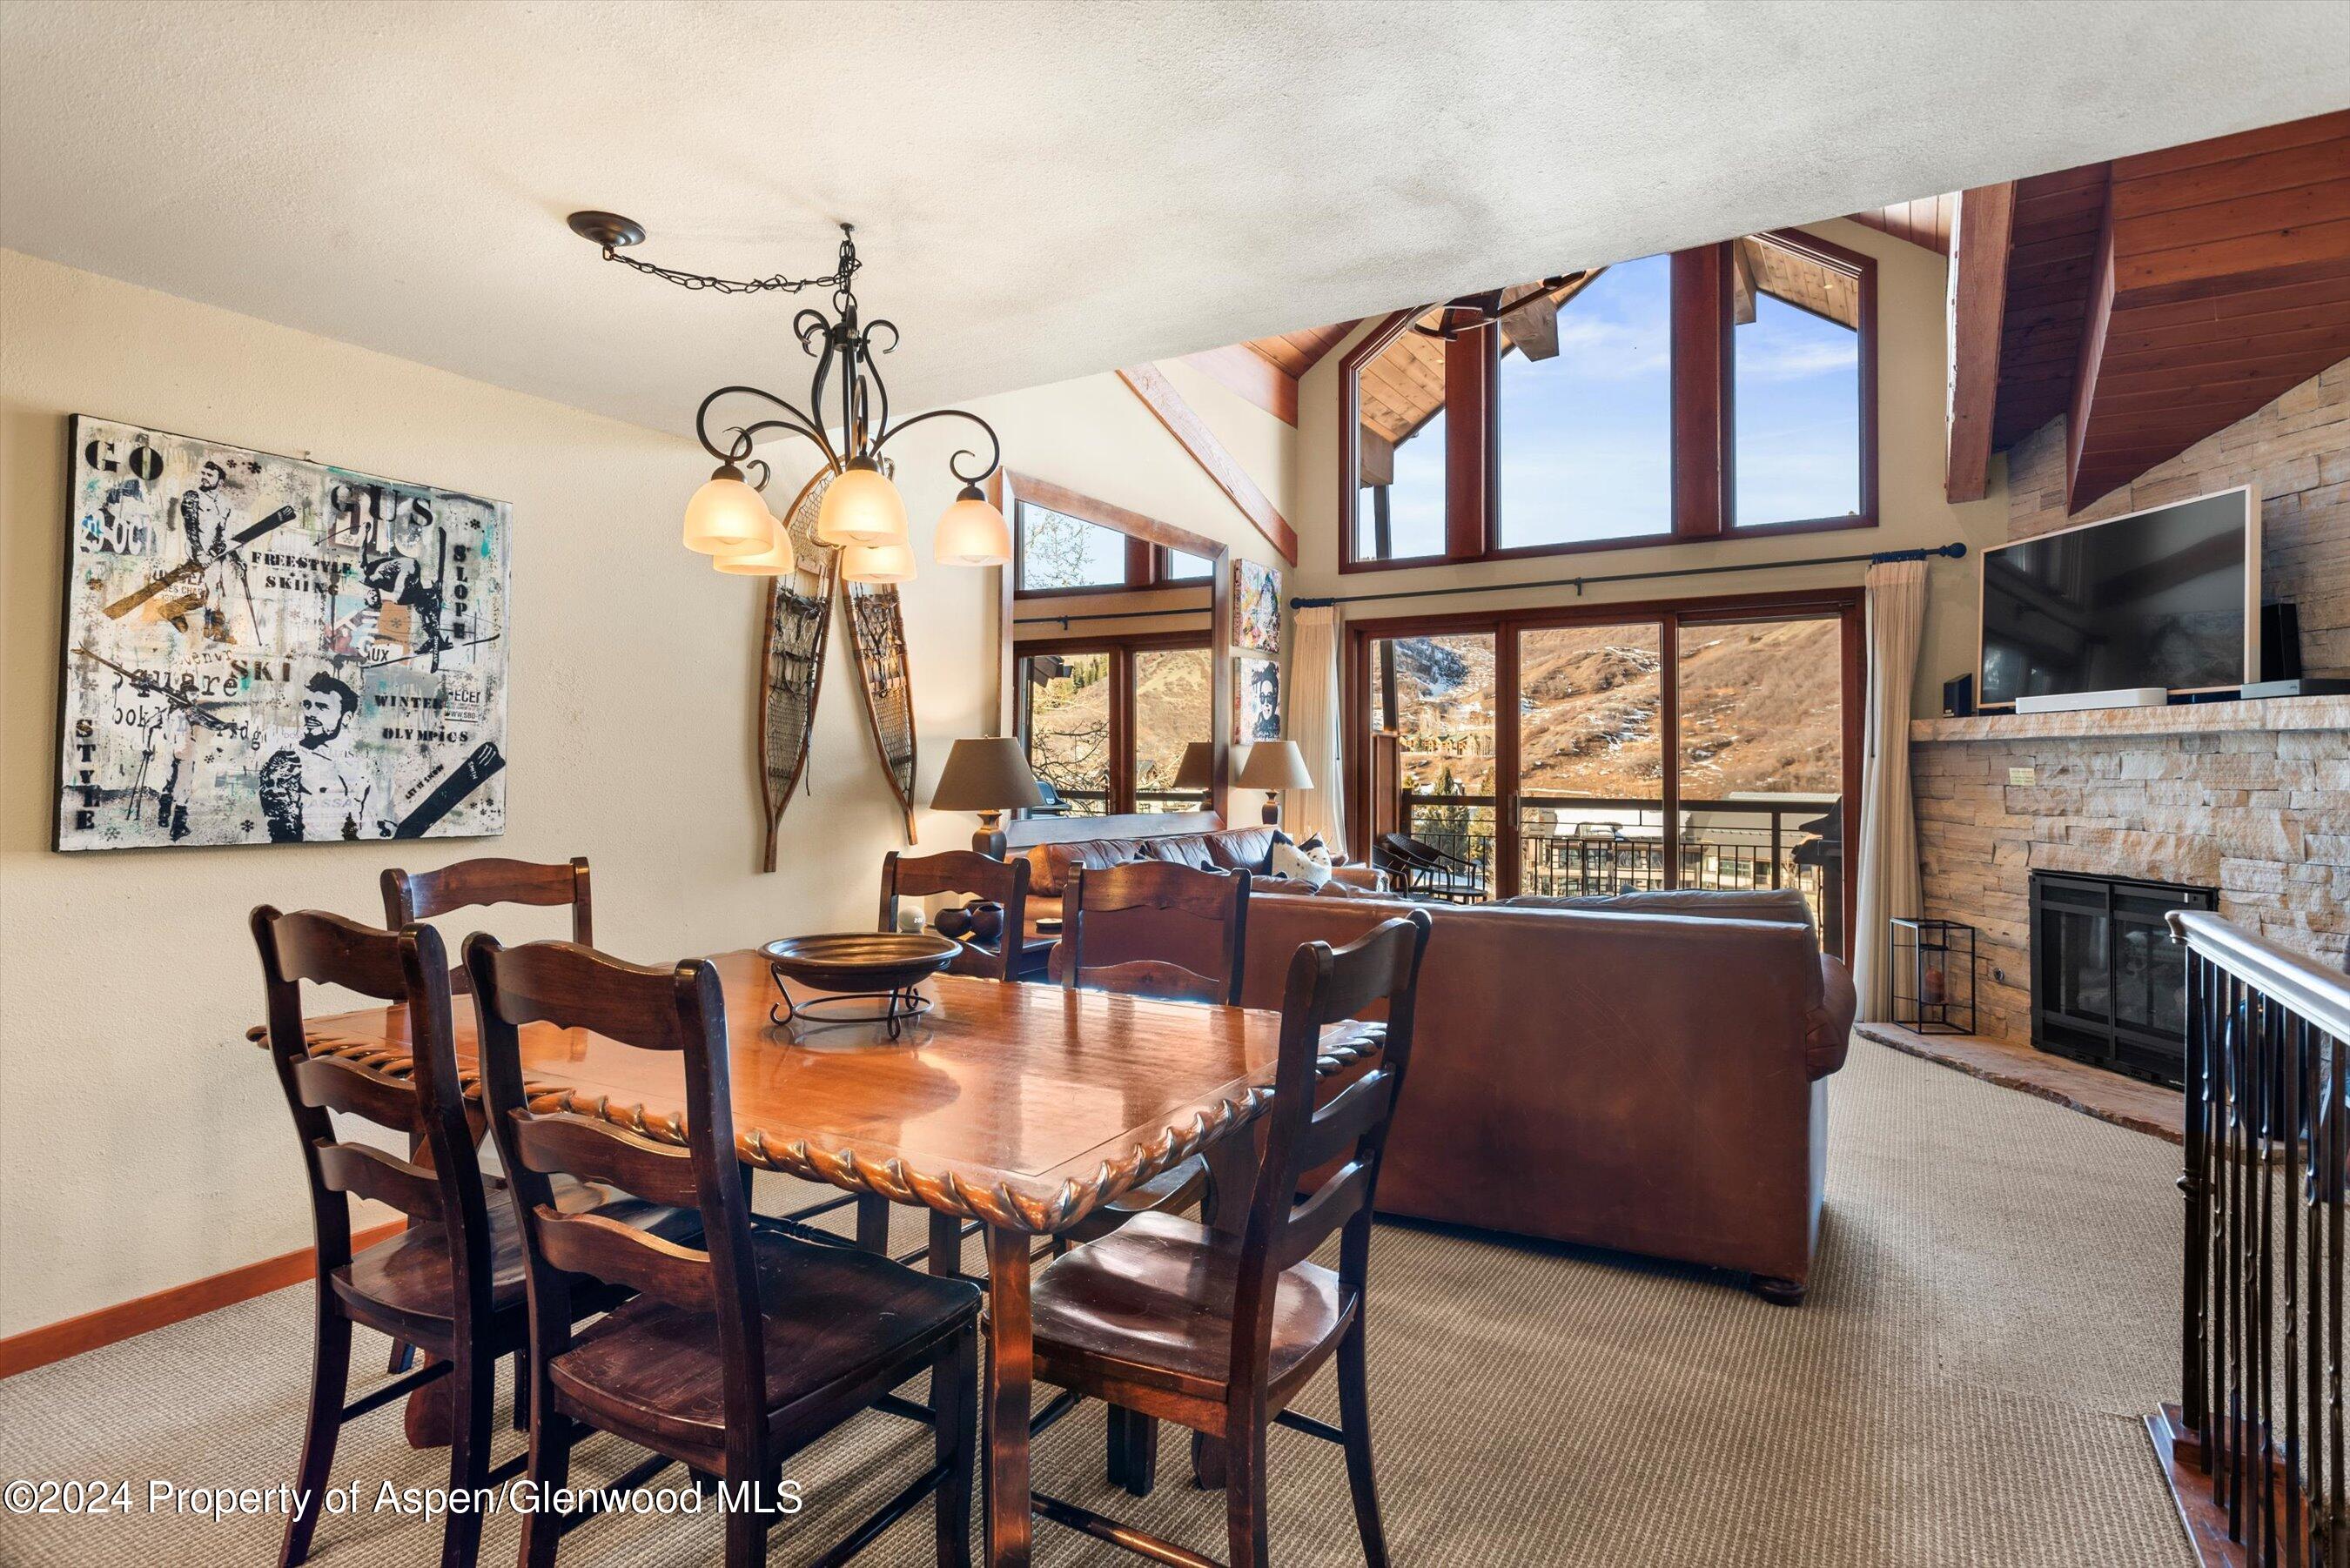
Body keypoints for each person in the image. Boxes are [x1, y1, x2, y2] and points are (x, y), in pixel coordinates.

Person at [258, 672, 381, 841]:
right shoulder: (288, 761)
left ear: (346, 718)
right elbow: (281, 831)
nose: (310, 714)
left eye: (322, 707)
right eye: (307, 705)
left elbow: (370, 831)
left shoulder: (361, 769)